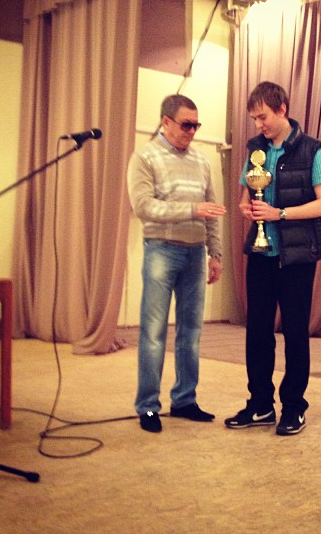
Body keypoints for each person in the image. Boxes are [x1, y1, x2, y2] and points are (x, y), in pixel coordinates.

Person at [225, 81, 321, 436]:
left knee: (295, 333)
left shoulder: (313, 151)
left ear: (282, 109)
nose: (259, 125)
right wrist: (246, 208)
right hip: (261, 254)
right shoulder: (254, 150)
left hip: (297, 257)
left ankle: (293, 407)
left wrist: (280, 214)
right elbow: (246, 196)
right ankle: (260, 405)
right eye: (254, 119)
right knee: (257, 332)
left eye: (263, 117)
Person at [127, 94, 227, 433]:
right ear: (166, 121)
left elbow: (211, 209)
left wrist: (215, 253)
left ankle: (185, 400)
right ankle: (148, 406)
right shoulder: (145, 157)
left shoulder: (201, 161)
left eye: (196, 125)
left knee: (191, 332)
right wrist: (191, 210)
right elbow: (143, 206)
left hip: (195, 253)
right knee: (154, 331)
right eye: (186, 125)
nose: (192, 131)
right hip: (161, 249)